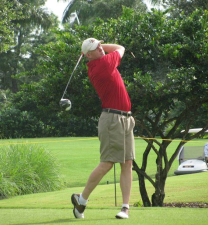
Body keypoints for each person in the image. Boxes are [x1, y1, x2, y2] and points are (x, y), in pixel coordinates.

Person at [71, 38, 135, 219]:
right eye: (96, 48)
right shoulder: (104, 64)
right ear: (89, 55)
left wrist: (95, 47)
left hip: (125, 118)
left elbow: (109, 49)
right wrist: (100, 48)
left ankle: (125, 208)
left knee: (127, 163)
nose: (101, 49)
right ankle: (81, 201)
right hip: (112, 119)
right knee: (107, 163)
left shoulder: (98, 62)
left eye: (100, 46)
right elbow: (121, 47)